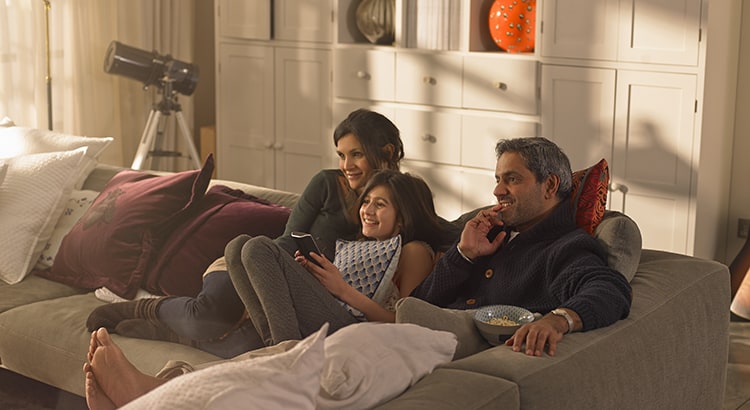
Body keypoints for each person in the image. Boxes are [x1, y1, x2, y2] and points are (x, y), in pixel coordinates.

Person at [82, 169, 447, 410]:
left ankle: (280, 355)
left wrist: (341, 288)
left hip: (357, 329)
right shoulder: (357, 246)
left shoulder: (414, 251)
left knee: (256, 247)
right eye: (366, 201)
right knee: (238, 246)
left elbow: (405, 323)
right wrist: (308, 276)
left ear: (405, 216)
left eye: (379, 204)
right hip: (325, 319)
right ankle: (152, 385)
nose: (367, 209)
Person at [85, 108, 408, 358]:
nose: (346, 165)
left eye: (356, 154)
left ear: (388, 151)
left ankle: (171, 334)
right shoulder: (326, 183)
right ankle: (140, 308)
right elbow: (286, 238)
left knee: (246, 344)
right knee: (210, 315)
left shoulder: (395, 202)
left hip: (301, 288)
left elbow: (430, 230)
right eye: (341, 155)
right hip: (252, 263)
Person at [410, 136, 632, 357]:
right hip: (418, 340)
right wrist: (464, 255)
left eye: (512, 179)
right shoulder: (490, 233)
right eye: (497, 179)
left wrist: (556, 321)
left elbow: (609, 289)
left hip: (454, 355)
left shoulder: (565, 247)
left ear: (550, 185)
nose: (497, 191)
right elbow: (418, 305)